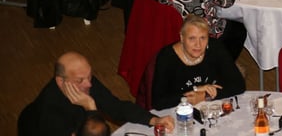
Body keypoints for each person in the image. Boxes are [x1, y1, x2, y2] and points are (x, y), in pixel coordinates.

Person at [18, 51, 174, 136]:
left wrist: (154, 119)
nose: (89, 84)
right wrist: (91, 109)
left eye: (90, 76)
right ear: (60, 81)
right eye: (80, 80)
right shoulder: (51, 112)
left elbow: (116, 106)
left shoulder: (84, 81)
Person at [152, 14, 245, 109]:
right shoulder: (167, 57)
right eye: (192, 38)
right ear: (182, 38)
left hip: (212, 108)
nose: (198, 45)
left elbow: (238, 85)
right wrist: (195, 90)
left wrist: (203, 96)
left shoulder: (215, 48)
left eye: (203, 38)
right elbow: (158, 102)